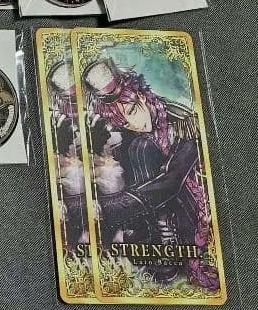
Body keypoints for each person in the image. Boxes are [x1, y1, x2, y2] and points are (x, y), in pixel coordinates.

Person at [77, 58, 219, 289]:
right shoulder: (130, 134)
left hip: (193, 209)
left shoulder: (184, 122)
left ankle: (165, 245)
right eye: (125, 122)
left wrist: (110, 207)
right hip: (151, 217)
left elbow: (171, 181)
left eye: (133, 111)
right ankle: (147, 240)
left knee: (140, 146)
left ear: (142, 96)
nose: (135, 124)